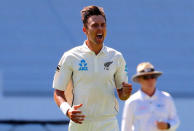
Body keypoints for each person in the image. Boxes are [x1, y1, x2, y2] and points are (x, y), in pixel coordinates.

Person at [52, 5, 132, 131]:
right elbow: (58, 92)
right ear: (85, 29)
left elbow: (122, 95)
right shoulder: (70, 56)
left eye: (103, 25)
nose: (100, 29)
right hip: (80, 123)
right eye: (95, 25)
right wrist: (67, 111)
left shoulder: (116, 57)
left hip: (108, 123)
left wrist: (125, 93)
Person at [121, 62, 180, 131]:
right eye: (145, 77)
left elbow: (176, 121)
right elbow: (126, 128)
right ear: (139, 79)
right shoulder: (131, 101)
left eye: (152, 76)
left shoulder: (166, 98)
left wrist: (167, 125)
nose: (150, 80)